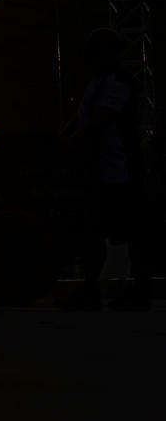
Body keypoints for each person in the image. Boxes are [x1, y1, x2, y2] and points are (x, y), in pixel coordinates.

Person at [62, 28, 151, 311]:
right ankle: (93, 289)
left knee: (127, 232)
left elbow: (99, 121)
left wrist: (71, 144)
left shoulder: (117, 83)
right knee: (95, 232)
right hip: (101, 170)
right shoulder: (97, 82)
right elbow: (81, 119)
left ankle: (136, 291)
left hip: (120, 170)